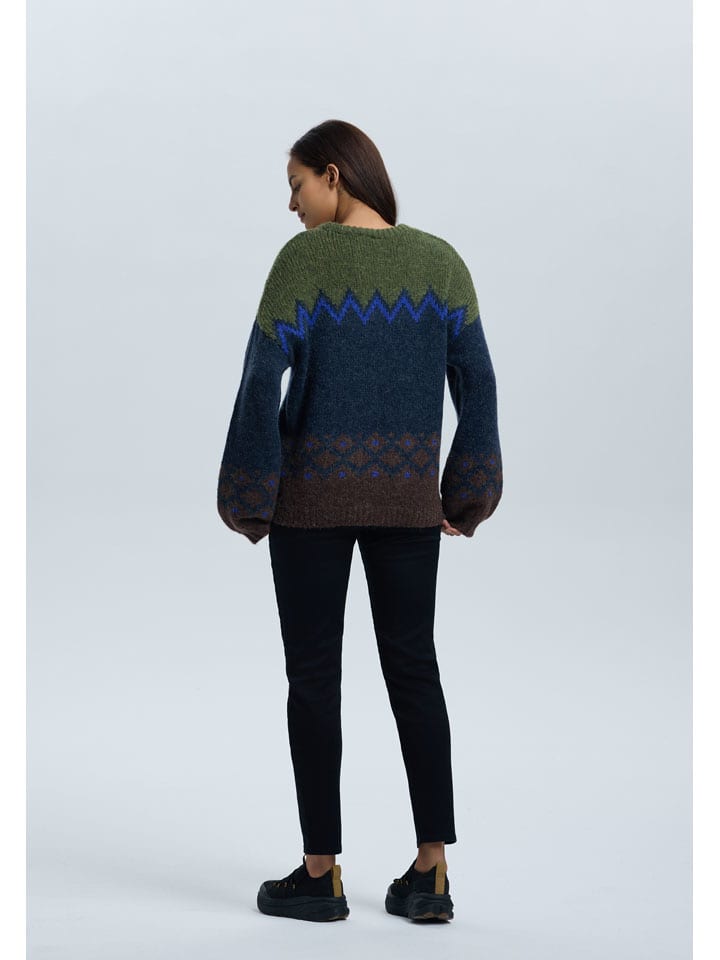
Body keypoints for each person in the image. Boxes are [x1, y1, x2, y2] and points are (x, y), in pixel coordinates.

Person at [216, 119, 503, 922]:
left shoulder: (304, 263)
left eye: (297, 185)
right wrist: (465, 491)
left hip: (309, 505)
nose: (292, 204)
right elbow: (479, 383)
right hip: (407, 505)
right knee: (415, 670)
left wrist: (249, 492)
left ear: (334, 176)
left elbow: (259, 379)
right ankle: (431, 873)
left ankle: (321, 875)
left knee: (314, 678)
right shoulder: (441, 264)